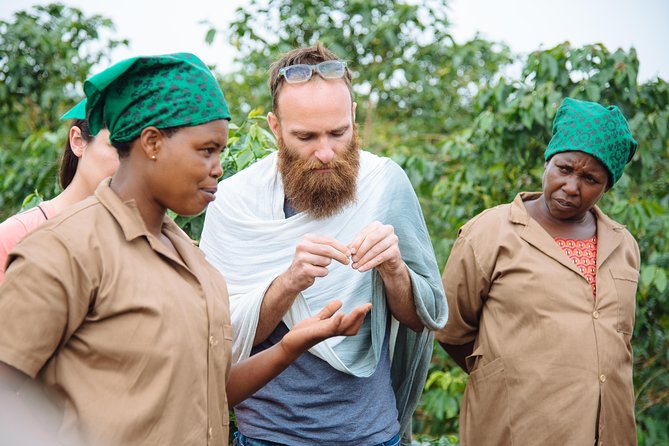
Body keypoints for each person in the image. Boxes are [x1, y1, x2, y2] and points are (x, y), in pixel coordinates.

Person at [0, 52, 371, 446]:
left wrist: (294, 343)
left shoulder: (193, 260)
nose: (218, 168)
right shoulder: (67, 249)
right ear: (153, 143)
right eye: (206, 150)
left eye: (222, 152)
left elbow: (207, 393)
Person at [200, 43, 448, 445]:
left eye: (338, 132)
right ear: (275, 128)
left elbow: (422, 317)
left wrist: (394, 269)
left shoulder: (384, 184)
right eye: (305, 136)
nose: (326, 152)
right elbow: (220, 335)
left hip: (370, 435)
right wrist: (289, 283)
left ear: (353, 117)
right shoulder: (235, 202)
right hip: (267, 437)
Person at [437, 97, 640, 445]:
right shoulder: (489, 232)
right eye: (564, 169)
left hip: (611, 432)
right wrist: (510, 374)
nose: (572, 186)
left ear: (607, 186)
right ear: (547, 161)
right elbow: (450, 329)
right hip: (518, 430)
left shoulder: (623, 246)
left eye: (590, 178)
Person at [0, 113, 118, 283]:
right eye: (118, 147)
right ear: (78, 141)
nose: (131, 164)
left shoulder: (146, 239)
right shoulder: (15, 236)